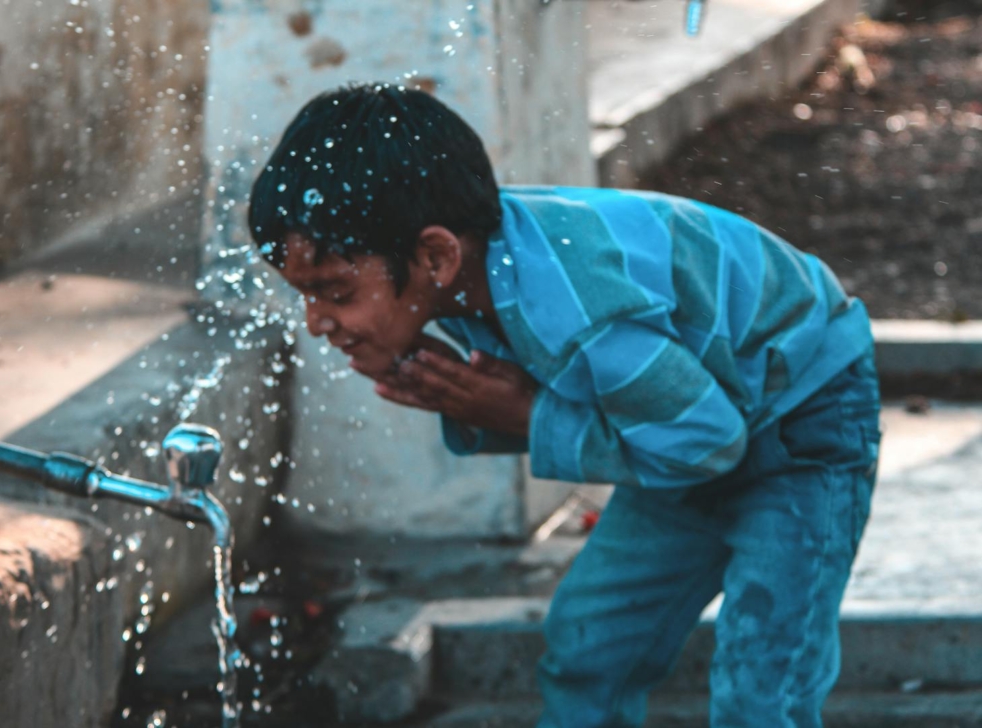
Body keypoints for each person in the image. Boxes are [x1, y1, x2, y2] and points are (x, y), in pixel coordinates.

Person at [247, 82, 881, 728]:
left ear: (436, 255)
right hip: (685, 424)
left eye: (334, 291)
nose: (317, 321)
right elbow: (654, 423)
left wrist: (527, 418)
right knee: (590, 645)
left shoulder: (579, 307)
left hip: (803, 424)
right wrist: (463, 396)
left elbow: (706, 445)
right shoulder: (470, 270)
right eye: (305, 295)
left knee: (764, 684)